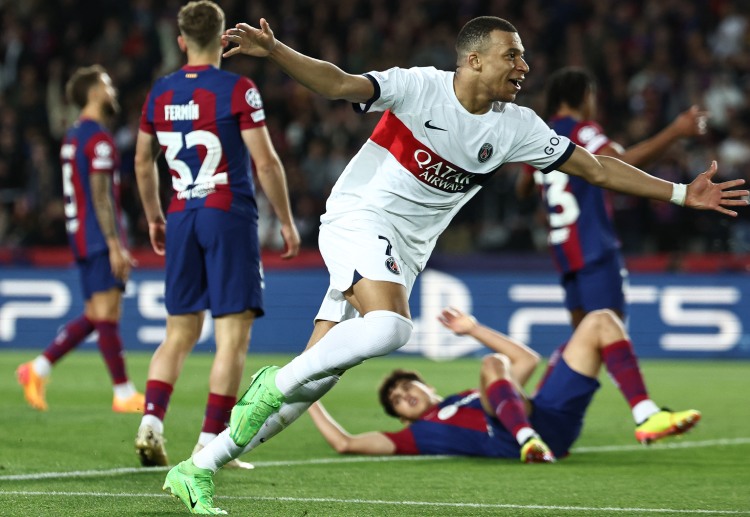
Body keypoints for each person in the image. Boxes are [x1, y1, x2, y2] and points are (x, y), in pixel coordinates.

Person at [161, 16, 744, 515]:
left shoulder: (516, 127)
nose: (523, 65)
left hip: (406, 251)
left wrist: (677, 193)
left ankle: (196, 467)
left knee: (317, 380)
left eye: (525, 57)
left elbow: (593, 168)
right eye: (511, 55)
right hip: (359, 218)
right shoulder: (420, 88)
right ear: (473, 59)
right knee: (390, 328)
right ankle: (274, 378)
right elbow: (340, 84)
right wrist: (277, 52)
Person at [133, 0, 300, 471]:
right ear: (224, 37)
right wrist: (286, 220)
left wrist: (153, 216)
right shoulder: (237, 88)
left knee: (178, 333)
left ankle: (151, 422)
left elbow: (143, 162)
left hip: (182, 212)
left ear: (182, 41)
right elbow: (265, 161)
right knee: (231, 338)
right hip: (227, 213)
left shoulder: (160, 92)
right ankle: (209, 442)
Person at [307, 307, 700, 462]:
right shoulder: (418, 434)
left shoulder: (468, 397)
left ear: (427, 386)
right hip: (510, 437)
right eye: (397, 401)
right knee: (494, 365)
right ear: (402, 416)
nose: (403, 396)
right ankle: (526, 439)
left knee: (599, 321)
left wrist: (474, 329)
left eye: (406, 386)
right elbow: (346, 443)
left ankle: (646, 414)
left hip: (548, 418)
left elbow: (526, 361)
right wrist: (304, 394)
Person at [516, 67, 710, 329]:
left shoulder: (541, 137)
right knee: (612, 336)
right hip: (593, 245)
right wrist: (674, 131)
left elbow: (522, 188)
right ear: (585, 95)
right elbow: (619, 164)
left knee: (583, 345)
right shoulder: (582, 131)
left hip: (563, 250)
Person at [15, 65, 143, 414]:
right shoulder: (98, 139)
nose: (112, 89)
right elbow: (101, 197)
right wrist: (116, 245)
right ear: (92, 93)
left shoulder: (74, 135)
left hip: (82, 235)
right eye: (106, 84)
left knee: (95, 313)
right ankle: (123, 392)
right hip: (99, 237)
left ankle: (36, 369)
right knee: (107, 313)